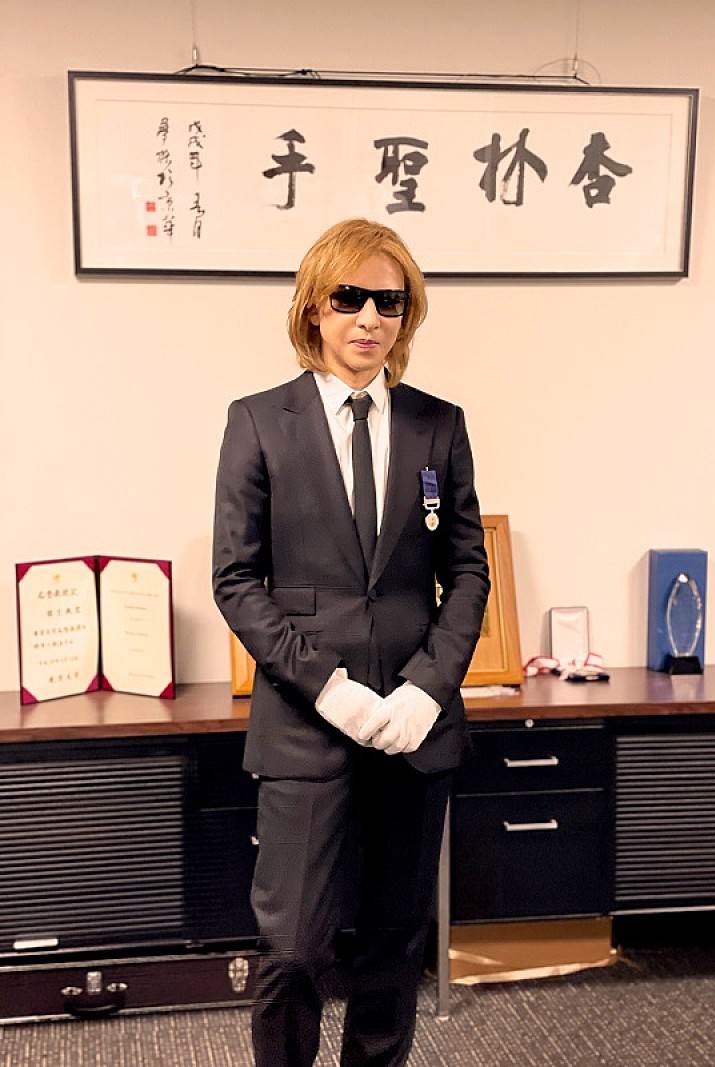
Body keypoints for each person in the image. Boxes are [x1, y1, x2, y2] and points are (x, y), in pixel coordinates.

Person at [212, 217, 490, 1067]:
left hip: (413, 729)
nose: (370, 316)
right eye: (350, 296)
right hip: (306, 726)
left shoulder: (439, 425)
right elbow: (237, 579)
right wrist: (329, 688)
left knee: (393, 948)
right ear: (314, 307)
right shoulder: (260, 422)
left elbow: (467, 571)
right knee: (293, 948)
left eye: (390, 301)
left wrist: (426, 690)